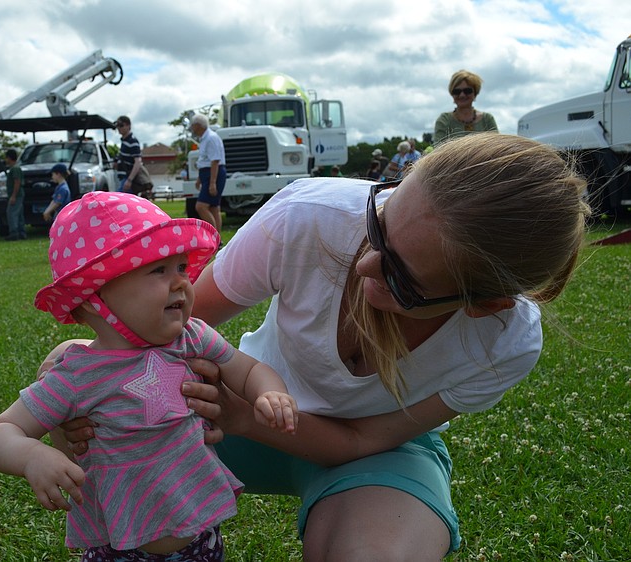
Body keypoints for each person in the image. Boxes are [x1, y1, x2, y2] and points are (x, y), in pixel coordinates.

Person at [58, 133, 590, 560]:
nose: (363, 266)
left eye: (402, 277)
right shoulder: (309, 216)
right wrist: (79, 393)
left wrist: (244, 415)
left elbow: (359, 440)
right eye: (377, 226)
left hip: (357, 449)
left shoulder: (504, 341)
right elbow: (157, 332)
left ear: (484, 304)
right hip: (218, 416)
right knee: (67, 361)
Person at [0, 191, 298, 562]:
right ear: (92, 298)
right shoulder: (76, 375)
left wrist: (269, 392)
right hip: (119, 548)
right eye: (158, 270)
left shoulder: (191, 337)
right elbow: (1, 433)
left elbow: (248, 370)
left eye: (181, 267)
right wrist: (32, 455)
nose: (181, 282)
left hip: (200, 539)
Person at [434, 69, 499, 145]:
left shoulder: (487, 119)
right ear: (452, 94)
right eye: (457, 92)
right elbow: (439, 149)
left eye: (467, 91)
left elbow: (496, 147)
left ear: (475, 93)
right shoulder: (444, 120)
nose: (462, 95)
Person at [189, 113, 226, 234]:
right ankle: (218, 240)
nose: (192, 128)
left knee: (201, 206)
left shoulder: (211, 138)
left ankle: (213, 235)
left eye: (193, 125)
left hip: (213, 174)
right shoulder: (204, 138)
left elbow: (215, 160)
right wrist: (200, 178)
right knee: (214, 207)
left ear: (199, 125)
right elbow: (205, 160)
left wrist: (212, 183)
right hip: (207, 173)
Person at [114, 115, 145, 194]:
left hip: (127, 178)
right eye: (117, 126)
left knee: (120, 202)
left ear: (128, 126)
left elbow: (137, 162)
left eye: (121, 125)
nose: (119, 128)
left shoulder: (132, 141)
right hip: (122, 178)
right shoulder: (124, 142)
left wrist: (129, 180)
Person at [3, 148, 26, 240]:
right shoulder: (16, 168)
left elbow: (17, 182)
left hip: (16, 195)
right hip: (19, 195)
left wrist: (13, 196)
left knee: (11, 213)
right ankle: (21, 232)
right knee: (19, 214)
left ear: (9, 158)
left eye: (6, 158)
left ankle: (14, 233)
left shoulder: (15, 169)